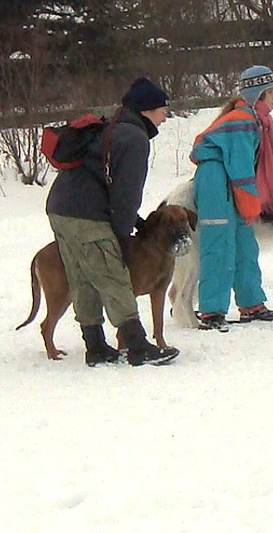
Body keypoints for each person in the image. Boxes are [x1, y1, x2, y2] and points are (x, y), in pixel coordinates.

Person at [45, 77, 181, 367]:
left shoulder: (112, 127)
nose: (165, 116)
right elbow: (126, 193)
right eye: (162, 109)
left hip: (60, 209)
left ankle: (95, 346)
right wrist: (122, 233)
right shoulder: (134, 138)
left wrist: (131, 222)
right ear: (146, 110)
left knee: (82, 277)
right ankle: (137, 346)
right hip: (86, 215)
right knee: (112, 275)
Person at [190, 65, 273, 332]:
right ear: (260, 93)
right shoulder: (241, 120)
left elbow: (256, 163)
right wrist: (250, 203)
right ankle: (211, 311)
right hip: (216, 181)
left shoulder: (257, 120)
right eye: (272, 92)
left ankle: (252, 303)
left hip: (230, 179)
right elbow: (242, 168)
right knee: (219, 244)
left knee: (245, 244)